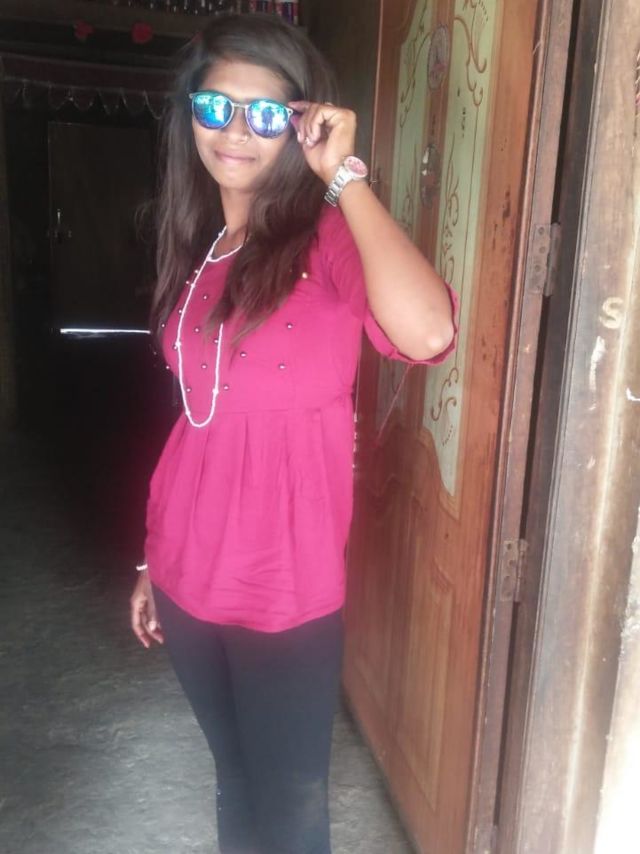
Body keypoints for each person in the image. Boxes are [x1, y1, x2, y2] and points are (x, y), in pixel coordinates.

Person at [129, 12, 458, 854]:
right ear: (190, 115)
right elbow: (198, 419)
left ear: (302, 122)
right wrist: (150, 557)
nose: (236, 132)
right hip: (185, 569)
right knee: (234, 776)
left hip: (284, 586)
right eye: (216, 108)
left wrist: (343, 176)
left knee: (293, 806)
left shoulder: (328, 238)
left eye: (266, 113)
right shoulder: (201, 242)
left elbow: (428, 332)